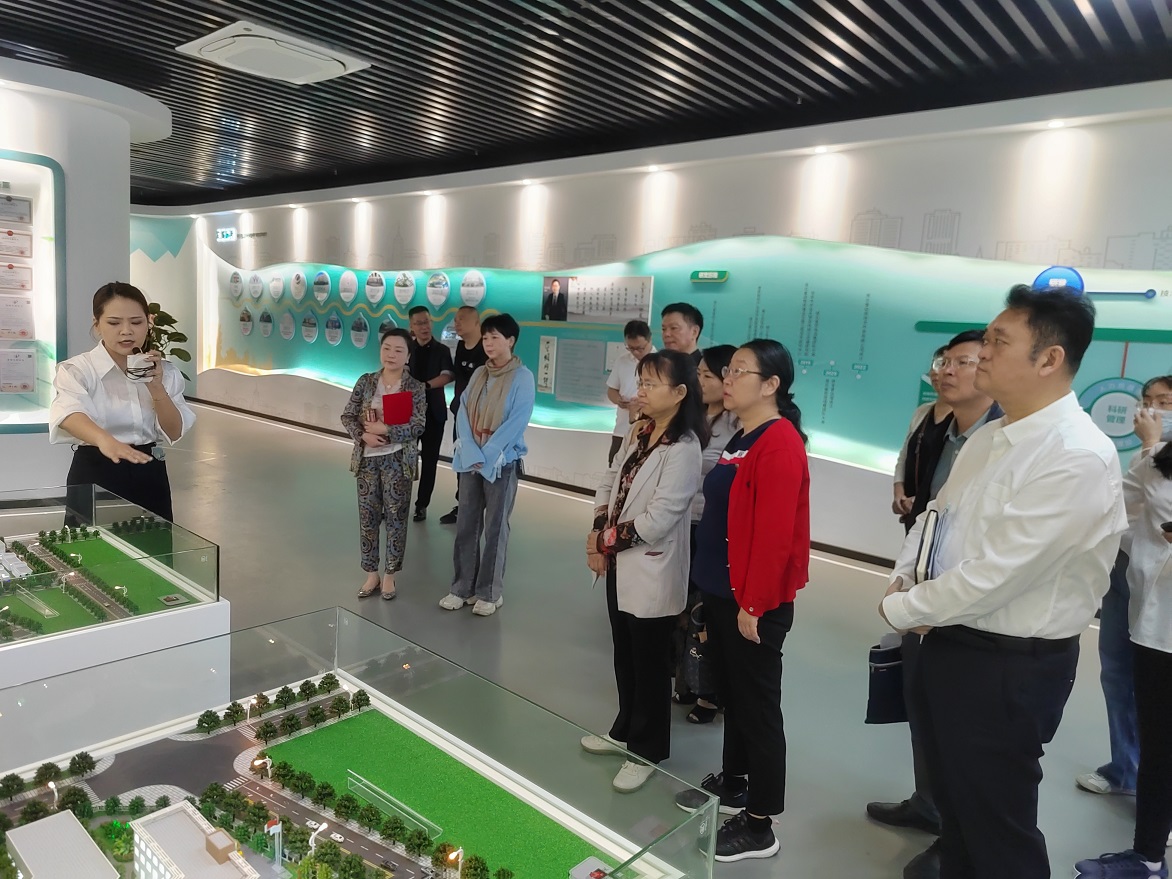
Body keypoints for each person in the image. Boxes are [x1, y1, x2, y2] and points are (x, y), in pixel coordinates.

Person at [880, 285, 1127, 879]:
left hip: (1009, 665)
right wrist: (903, 579)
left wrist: (904, 608)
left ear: (1050, 359)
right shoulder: (992, 435)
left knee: (999, 825)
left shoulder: (1076, 455)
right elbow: (935, 516)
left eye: (998, 341)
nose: (981, 353)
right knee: (958, 809)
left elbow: (1000, 575)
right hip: (949, 641)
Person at [865, 330, 1001, 878]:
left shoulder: (1001, 441)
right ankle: (929, 803)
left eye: (964, 361)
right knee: (920, 701)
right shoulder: (938, 426)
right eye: (945, 361)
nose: (948, 370)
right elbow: (928, 517)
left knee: (960, 726)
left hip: (965, 608)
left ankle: (956, 835)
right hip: (922, 594)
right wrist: (904, 587)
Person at [674, 339, 811, 864]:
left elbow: (775, 536)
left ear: (771, 384)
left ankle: (760, 824)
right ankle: (734, 782)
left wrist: (753, 604)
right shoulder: (743, 435)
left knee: (758, 708)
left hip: (753, 602)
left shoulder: (780, 443)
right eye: (726, 371)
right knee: (733, 694)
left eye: (739, 372)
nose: (726, 379)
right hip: (722, 591)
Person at [580, 350, 707, 793]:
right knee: (625, 652)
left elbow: (660, 519)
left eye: (652, 383)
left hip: (652, 567)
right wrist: (599, 529)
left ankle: (648, 750)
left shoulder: (684, 448)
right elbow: (609, 481)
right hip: (620, 561)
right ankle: (624, 729)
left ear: (680, 392)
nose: (641, 391)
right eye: (641, 381)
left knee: (650, 662)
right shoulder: (641, 430)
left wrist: (603, 542)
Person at [1075, 407, 1172, 878]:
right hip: (1157, 628)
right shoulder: (1159, 461)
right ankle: (1148, 857)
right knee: (1159, 745)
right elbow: (1113, 505)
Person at [49, 282, 196, 522]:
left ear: (149, 322)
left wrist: (156, 387)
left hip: (149, 469)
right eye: (114, 323)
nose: (126, 331)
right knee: (91, 543)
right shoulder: (78, 370)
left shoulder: (166, 372)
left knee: (152, 542)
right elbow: (68, 413)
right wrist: (105, 440)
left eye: (136, 322)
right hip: (96, 468)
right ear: (97, 324)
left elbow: (174, 430)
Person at [439, 314, 535, 616]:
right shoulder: (480, 372)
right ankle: (462, 587)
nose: (488, 343)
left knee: (495, 528)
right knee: (466, 524)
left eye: (495, 337)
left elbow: (517, 421)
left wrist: (490, 452)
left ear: (510, 341)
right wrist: (469, 448)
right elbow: (463, 409)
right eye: (485, 338)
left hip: (502, 463)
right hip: (470, 461)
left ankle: (490, 592)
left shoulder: (522, 377)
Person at [676, 344, 738, 721]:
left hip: (712, 524)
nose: (700, 382)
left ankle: (710, 694)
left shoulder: (737, 424)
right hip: (682, 520)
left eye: (707, 376)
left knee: (706, 613)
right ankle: (688, 680)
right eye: (697, 374)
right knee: (682, 609)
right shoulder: (691, 415)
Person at [340, 328, 427, 600]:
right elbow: (347, 416)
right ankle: (371, 574)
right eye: (387, 348)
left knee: (396, 519)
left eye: (399, 350)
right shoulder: (366, 382)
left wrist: (387, 429)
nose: (391, 354)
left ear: (408, 356)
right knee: (368, 518)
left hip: (398, 461)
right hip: (367, 462)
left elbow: (418, 426)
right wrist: (363, 435)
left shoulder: (415, 388)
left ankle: (390, 575)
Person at [893, 347, 952, 526]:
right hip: (909, 508)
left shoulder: (962, 419)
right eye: (935, 364)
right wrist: (899, 491)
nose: (935, 372)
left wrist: (921, 499)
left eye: (944, 365)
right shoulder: (923, 411)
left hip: (938, 512)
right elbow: (905, 454)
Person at [440, 307, 487, 525]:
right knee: (460, 461)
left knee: (477, 464)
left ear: (476, 323)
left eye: (461, 319)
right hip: (460, 415)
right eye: (455, 320)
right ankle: (463, 506)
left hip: (479, 419)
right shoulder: (460, 346)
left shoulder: (485, 349)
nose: (456, 323)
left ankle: (477, 508)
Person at [407, 305, 454, 522]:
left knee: (429, 461)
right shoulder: (406, 348)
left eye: (426, 322)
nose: (424, 327)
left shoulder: (442, 350)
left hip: (434, 414)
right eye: (419, 323)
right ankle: (398, 501)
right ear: (411, 326)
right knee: (404, 459)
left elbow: (448, 375)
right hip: (407, 414)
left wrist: (423, 386)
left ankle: (422, 504)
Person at [606, 321, 654, 466]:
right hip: (621, 430)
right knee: (613, 468)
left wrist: (641, 405)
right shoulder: (622, 360)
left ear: (649, 339)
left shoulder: (661, 363)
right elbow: (611, 390)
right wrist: (618, 400)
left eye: (640, 348)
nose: (635, 352)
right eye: (631, 348)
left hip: (648, 430)